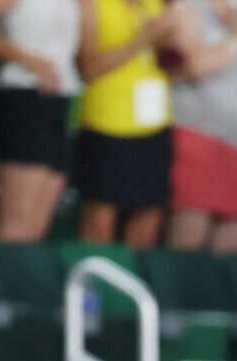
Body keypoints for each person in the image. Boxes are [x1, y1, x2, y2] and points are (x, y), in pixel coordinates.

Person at [164, 0, 237, 255]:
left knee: (231, 250)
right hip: (198, 134)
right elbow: (195, 66)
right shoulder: (187, 8)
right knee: (188, 243)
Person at [75, 0, 180, 248]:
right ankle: (94, 283)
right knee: (99, 221)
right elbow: (87, 67)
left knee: (147, 220)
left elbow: (173, 65)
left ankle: (132, 284)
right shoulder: (93, 5)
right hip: (107, 124)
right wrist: (142, 38)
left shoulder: (157, 5)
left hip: (154, 125)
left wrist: (168, 44)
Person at [0, 0, 84, 242]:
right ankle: (2, 279)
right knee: (16, 221)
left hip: (59, 100)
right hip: (19, 95)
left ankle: (20, 279)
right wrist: (29, 60)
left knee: (37, 225)